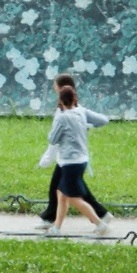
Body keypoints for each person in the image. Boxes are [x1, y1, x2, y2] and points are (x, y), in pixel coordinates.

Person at [39, 74, 110, 228]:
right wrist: (85, 127)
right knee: (60, 192)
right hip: (77, 159)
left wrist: (47, 156)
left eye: (55, 85)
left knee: (71, 195)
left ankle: (100, 220)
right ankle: (54, 223)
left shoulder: (63, 116)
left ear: (60, 91)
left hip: (69, 160)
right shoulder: (81, 111)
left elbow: (53, 138)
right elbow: (103, 119)